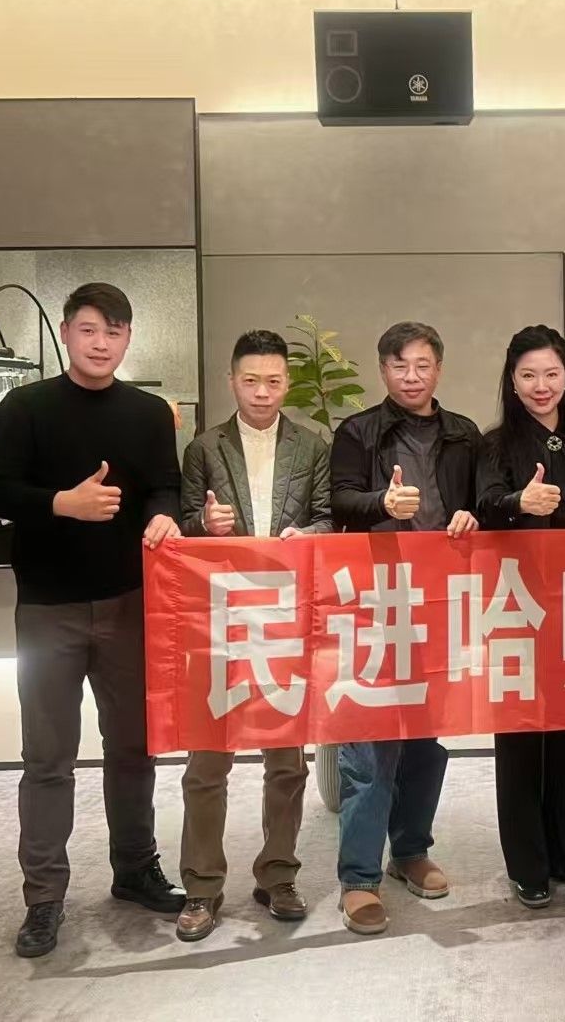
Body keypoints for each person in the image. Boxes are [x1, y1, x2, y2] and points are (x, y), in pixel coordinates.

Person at [0, 282, 184, 958]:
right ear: (67, 332)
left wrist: (163, 515)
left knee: (133, 748)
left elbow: (165, 484)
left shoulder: (149, 412)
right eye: (89, 329)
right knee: (47, 758)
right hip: (48, 606)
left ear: (128, 339)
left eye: (114, 331)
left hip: (129, 603)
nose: (101, 343)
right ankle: (44, 897)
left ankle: (136, 869)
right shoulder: (25, 406)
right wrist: (61, 503)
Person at [173, 330, 333, 941]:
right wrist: (203, 522)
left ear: (286, 383)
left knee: (287, 761)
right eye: (250, 381)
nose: (262, 392)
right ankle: (201, 886)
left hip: (285, 616)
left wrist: (309, 535)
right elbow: (182, 526)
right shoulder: (203, 448)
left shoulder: (311, 445)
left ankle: (278, 875)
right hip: (220, 616)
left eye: (272, 381)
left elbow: (327, 518)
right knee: (206, 763)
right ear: (231, 381)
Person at [329, 321, 481, 935]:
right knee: (369, 743)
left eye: (422, 365)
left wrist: (473, 515)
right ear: (383, 370)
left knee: (426, 736)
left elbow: (482, 501)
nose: (411, 377)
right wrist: (381, 504)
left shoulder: (464, 433)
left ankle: (411, 851)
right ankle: (358, 878)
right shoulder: (357, 431)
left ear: (438, 369)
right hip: (377, 601)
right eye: (399, 366)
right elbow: (339, 500)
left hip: (442, 600)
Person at [476, 326, 565, 909]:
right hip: (516, 604)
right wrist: (520, 503)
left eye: (552, 374)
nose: (542, 386)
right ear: (512, 382)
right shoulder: (495, 443)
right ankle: (527, 861)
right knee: (519, 734)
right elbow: (484, 505)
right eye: (529, 375)